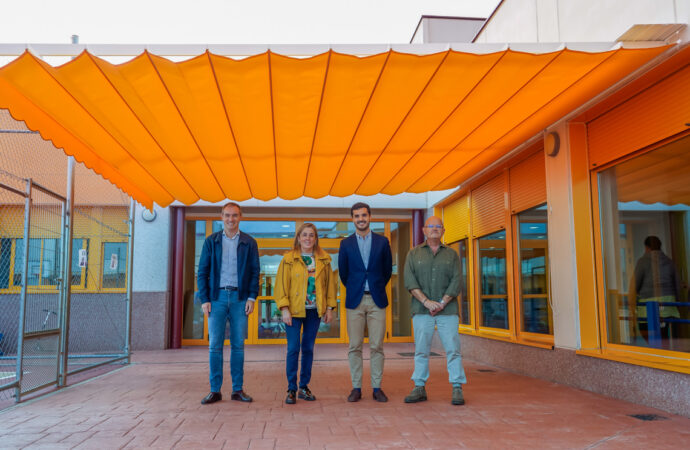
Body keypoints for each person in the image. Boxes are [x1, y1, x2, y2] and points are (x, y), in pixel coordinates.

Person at [197, 202, 260, 405]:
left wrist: (251, 297)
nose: (230, 219)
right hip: (217, 299)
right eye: (227, 215)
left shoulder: (249, 242)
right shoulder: (211, 241)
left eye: (234, 215)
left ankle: (237, 390)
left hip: (240, 299)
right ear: (221, 217)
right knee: (215, 346)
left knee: (238, 346)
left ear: (240, 217)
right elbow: (202, 272)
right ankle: (215, 390)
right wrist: (205, 299)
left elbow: (254, 272)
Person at [403, 216, 467, 405]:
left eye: (438, 226)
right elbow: (409, 281)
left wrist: (442, 302)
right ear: (423, 230)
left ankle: (457, 387)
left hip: (448, 311)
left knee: (453, 349)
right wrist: (426, 302)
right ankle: (419, 387)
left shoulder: (452, 254)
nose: (434, 229)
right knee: (421, 350)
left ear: (443, 231)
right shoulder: (413, 254)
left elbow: (457, 280)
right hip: (421, 310)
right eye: (431, 226)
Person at [274, 223, 337, 404]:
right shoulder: (288, 259)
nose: (308, 238)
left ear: (315, 238)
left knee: (308, 349)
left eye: (311, 235)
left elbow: (330, 287)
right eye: (304, 235)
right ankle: (291, 388)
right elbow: (281, 286)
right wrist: (284, 308)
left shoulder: (324, 260)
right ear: (299, 238)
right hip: (293, 312)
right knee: (293, 349)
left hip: (314, 312)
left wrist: (329, 308)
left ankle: (304, 387)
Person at [338, 202, 392, 402]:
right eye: (356, 216)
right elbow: (344, 274)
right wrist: (357, 287)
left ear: (370, 217)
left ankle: (377, 387)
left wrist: (375, 285)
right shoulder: (346, 244)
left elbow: (386, 272)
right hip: (355, 300)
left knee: (377, 345)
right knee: (355, 346)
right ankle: (356, 387)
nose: (360, 219)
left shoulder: (382, 242)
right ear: (352, 219)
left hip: (377, 300)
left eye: (363, 215)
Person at [631, 235, 682, 345]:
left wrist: (632, 306)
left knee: (647, 331)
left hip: (648, 306)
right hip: (669, 305)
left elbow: (635, 285)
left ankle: (657, 352)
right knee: (665, 333)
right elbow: (677, 284)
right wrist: (677, 303)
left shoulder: (643, 261)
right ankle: (666, 351)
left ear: (647, 248)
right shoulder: (669, 261)